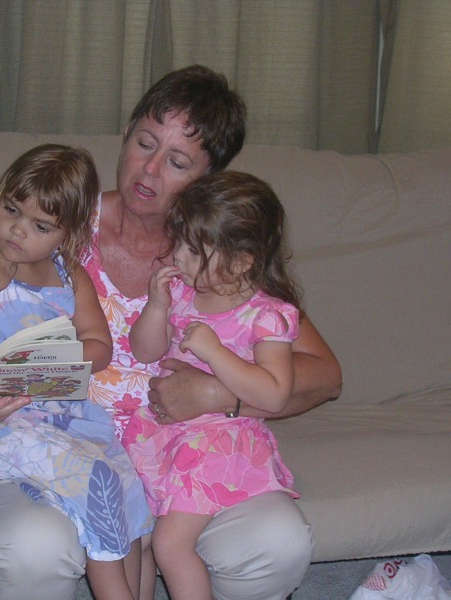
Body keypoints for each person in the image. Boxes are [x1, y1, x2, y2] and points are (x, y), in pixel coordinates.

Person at [0, 65, 342, 600]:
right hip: (66, 438)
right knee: (32, 549)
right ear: (125, 134)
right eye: (144, 143)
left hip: (185, 451)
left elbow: (325, 375)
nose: (148, 170)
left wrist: (219, 394)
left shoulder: (214, 260)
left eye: (177, 162)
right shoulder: (58, 227)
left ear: (209, 177)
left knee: (277, 541)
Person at [0, 144, 153, 600]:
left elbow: (99, 345)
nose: (17, 230)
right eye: (12, 209)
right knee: (99, 483)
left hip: (70, 420)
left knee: (132, 490)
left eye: (40, 226)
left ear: (66, 234)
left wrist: (58, 359)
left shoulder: (70, 276)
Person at [123, 170, 303, 600]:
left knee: (170, 543)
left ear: (241, 260)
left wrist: (214, 352)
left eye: (193, 250)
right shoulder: (185, 293)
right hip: (165, 436)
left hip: (219, 444)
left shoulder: (267, 315)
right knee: (137, 534)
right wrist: (157, 307)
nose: (178, 258)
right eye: (180, 243)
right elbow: (146, 352)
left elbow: (275, 393)